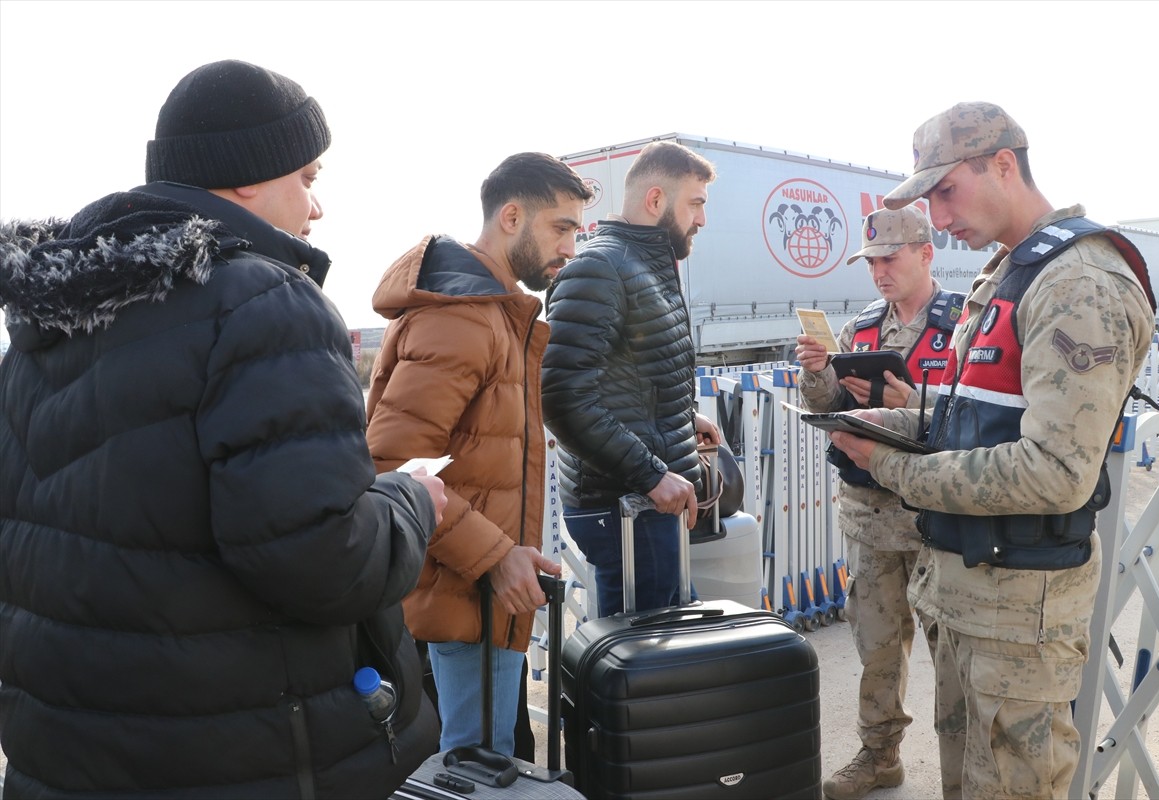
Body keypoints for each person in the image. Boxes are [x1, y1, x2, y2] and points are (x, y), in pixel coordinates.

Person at [0, 60, 447, 798]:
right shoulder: (263, 303)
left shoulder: (44, 327)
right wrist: (410, 502)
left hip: (66, 755)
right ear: (246, 177)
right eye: (307, 176)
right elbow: (322, 557)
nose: (317, 205)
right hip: (234, 757)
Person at [830, 102, 1156, 799]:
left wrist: (887, 464)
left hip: (1018, 620)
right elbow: (979, 415)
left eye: (947, 192)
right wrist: (894, 415)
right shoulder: (1013, 272)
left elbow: (1056, 471)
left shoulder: (1076, 282)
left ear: (1003, 165)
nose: (939, 221)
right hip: (972, 602)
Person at [364, 152, 591, 756]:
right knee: (474, 762)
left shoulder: (492, 312)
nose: (571, 247)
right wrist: (494, 557)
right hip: (467, 587)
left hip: (485, 589)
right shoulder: (462, 318)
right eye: (561, 227)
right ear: (512, 216)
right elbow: (394, 465)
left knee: (484, 755)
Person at [795, 205, 963, 800]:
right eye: (871, 263)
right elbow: (829, 407)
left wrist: (911, 403)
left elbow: (975, 425)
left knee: (953, 656)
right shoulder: (863, 329)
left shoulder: (964, 324)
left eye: (890, 259)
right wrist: (818, 376)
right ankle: (878, 756)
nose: (880, 273)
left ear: (925, 253)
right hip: (869, 516)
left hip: (935, 518)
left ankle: (961, 778)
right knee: (877, 648)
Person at [542, 141, 721, 618]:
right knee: (640, 673)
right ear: (656, 200)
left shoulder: (642, 265)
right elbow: (562, 400)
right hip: (624, 506)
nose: (701, 219)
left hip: (644, 503)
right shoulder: (601, 268)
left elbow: (630, 377)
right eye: (696, 204)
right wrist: (649, 473)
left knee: (666, 655)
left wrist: (684, 418)